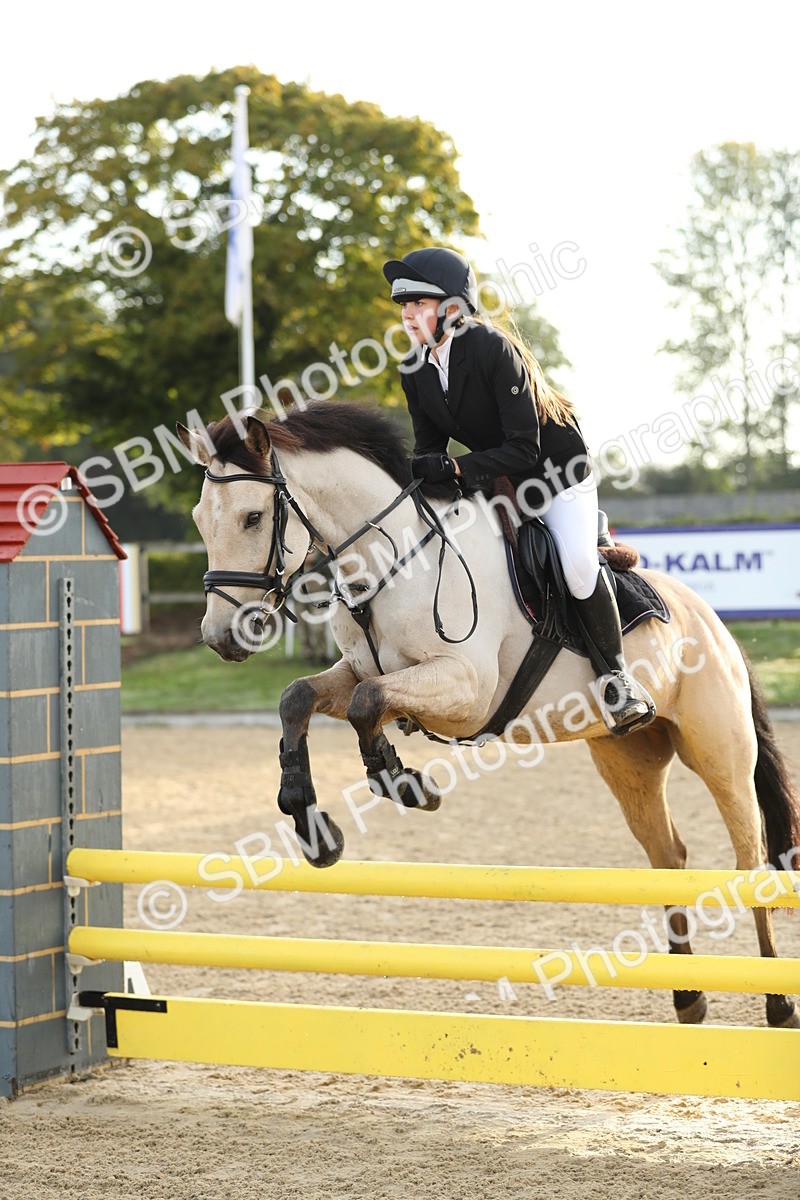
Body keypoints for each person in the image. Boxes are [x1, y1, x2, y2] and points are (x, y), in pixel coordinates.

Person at [382, 246, 655, 736]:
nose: (406, 315)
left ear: (452, 309)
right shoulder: (413, 367)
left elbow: (524, 449)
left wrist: (456, 468)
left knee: (575, 566)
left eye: (418, 304)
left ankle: (617, 680)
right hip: (497, 476)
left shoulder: (490, 347)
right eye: (404, 306)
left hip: (555, 473)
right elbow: (430, 451)